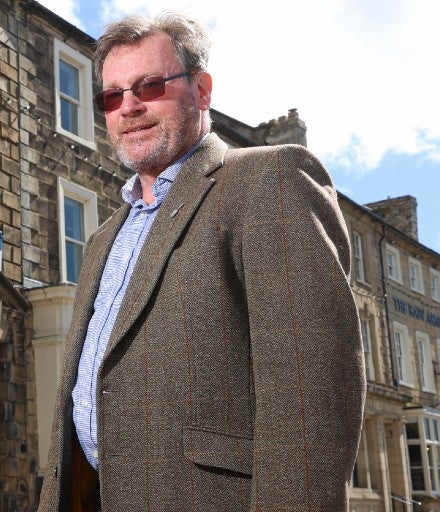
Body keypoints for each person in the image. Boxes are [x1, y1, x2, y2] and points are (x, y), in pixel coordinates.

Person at [37, 12, 364, 512]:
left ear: (202, 89)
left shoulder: (268, 180)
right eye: (112, 96)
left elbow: (310, 395)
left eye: (150, 86)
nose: (129, 107)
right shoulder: (104, 238)